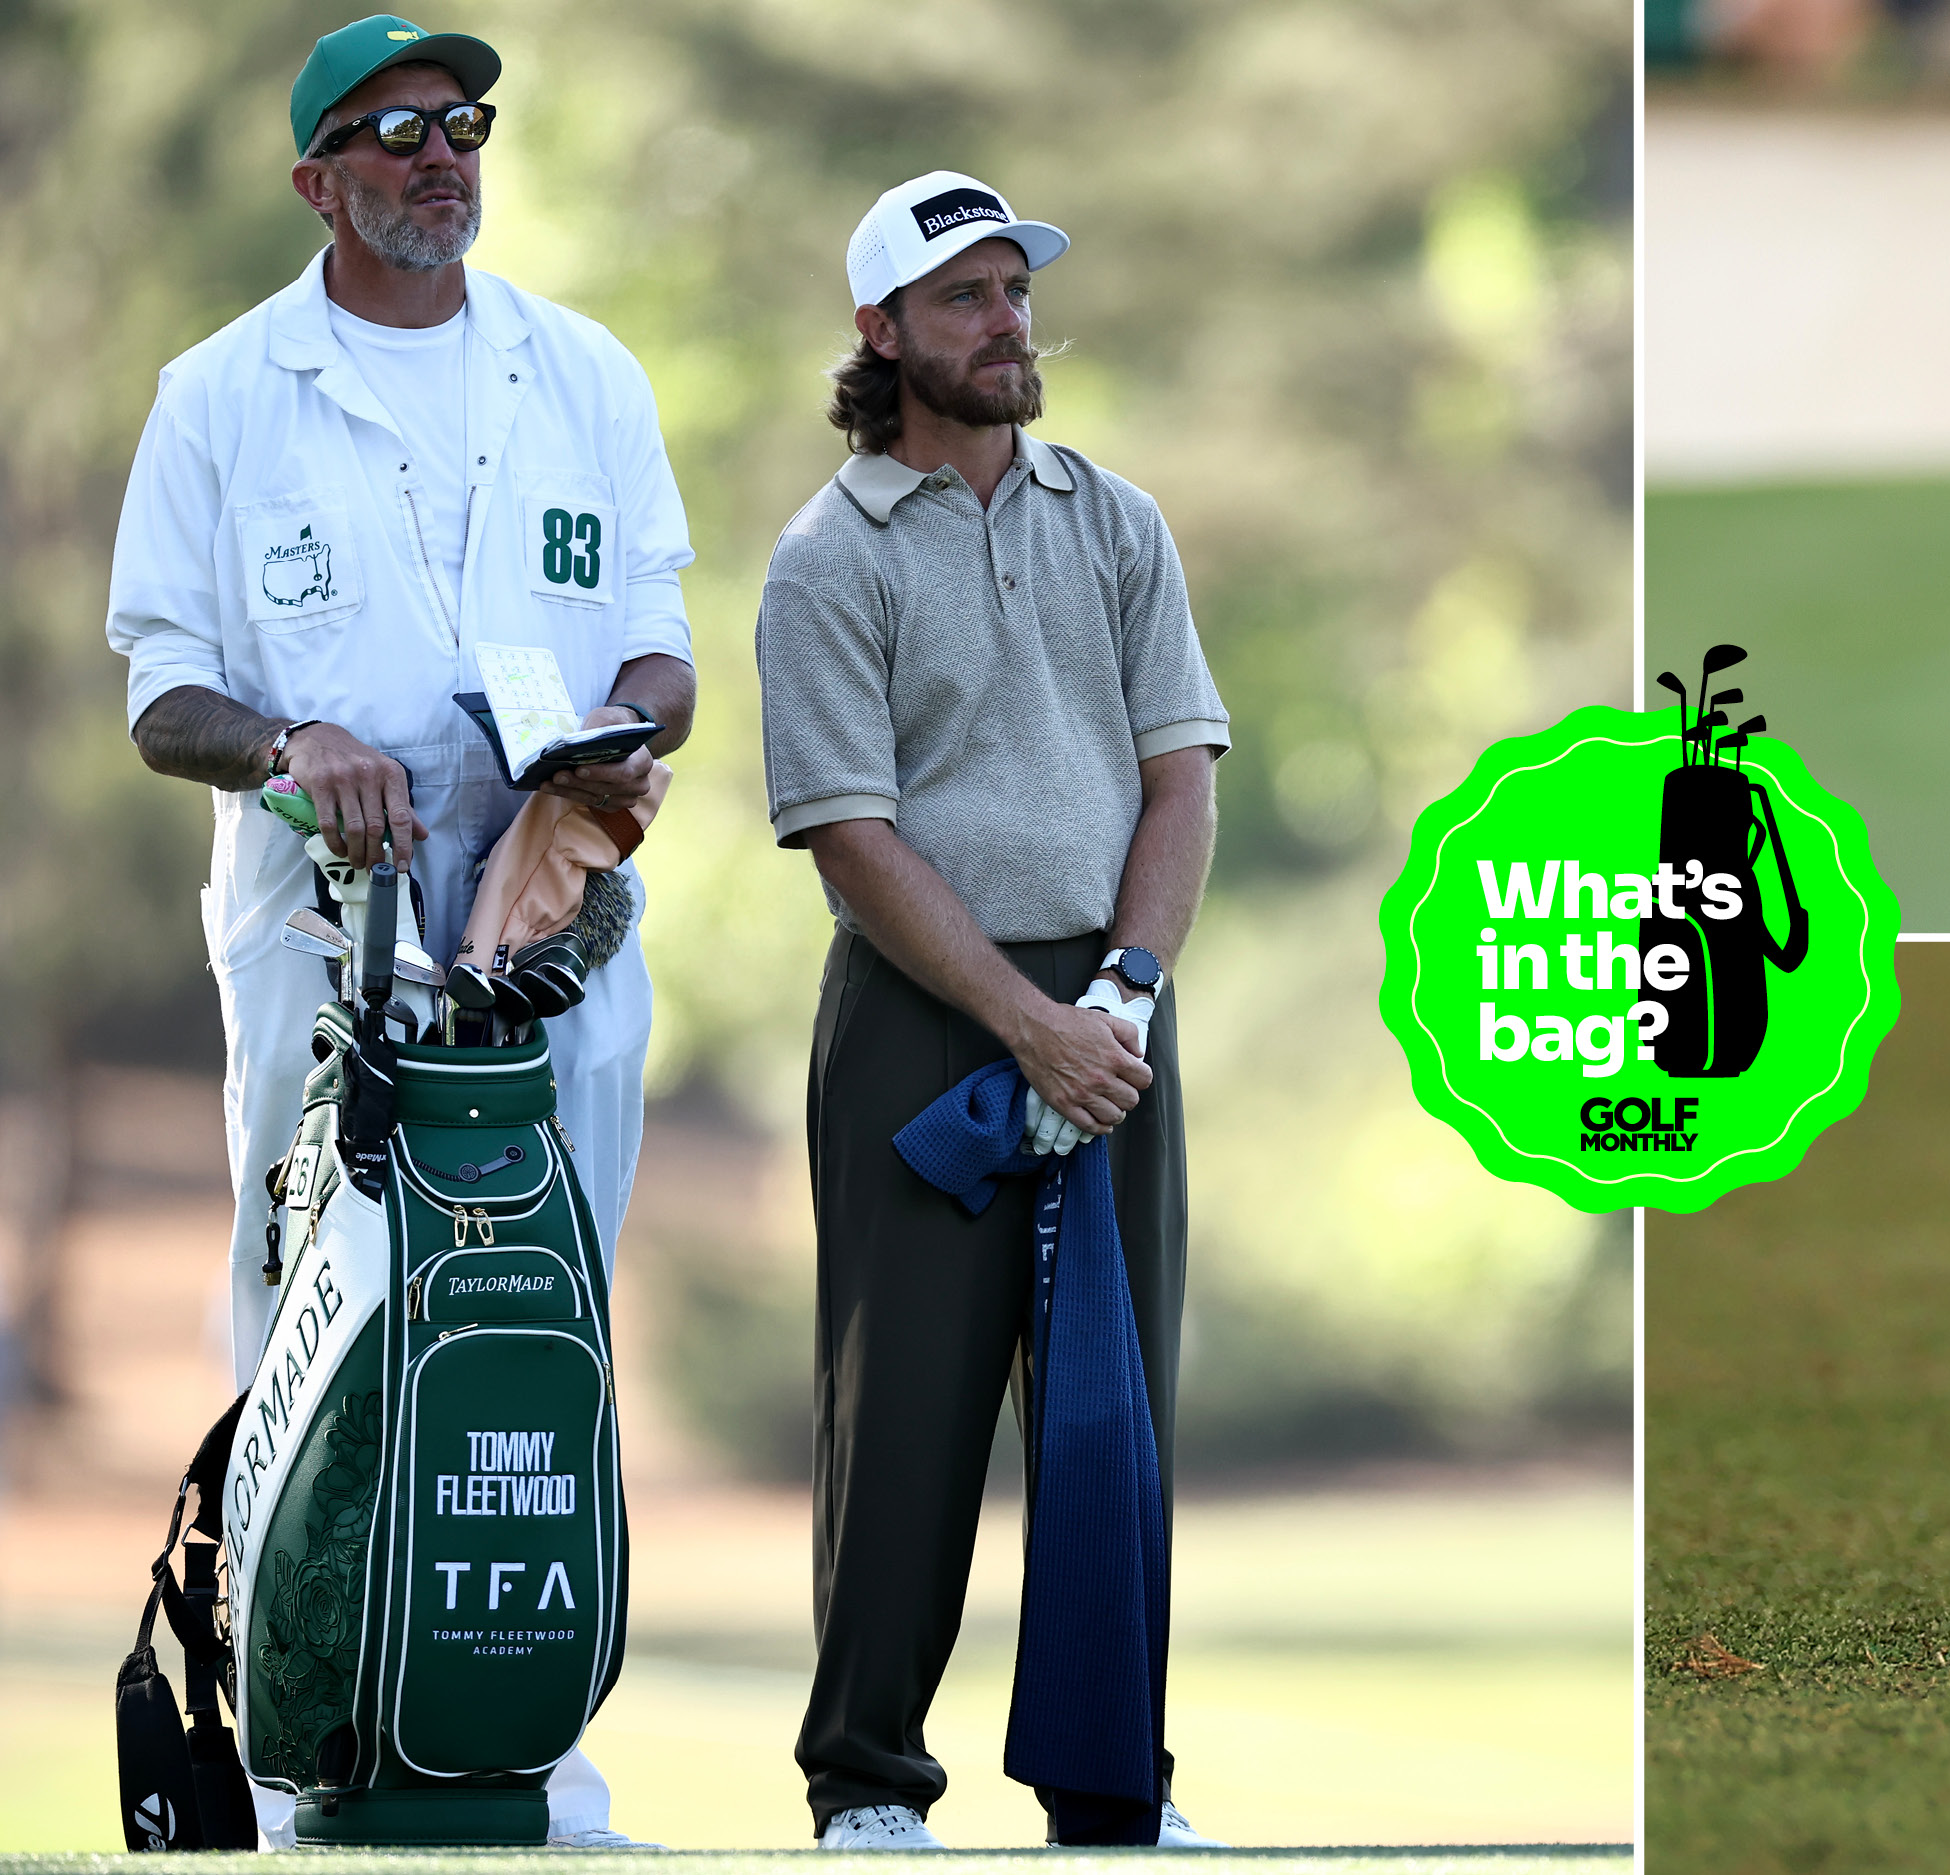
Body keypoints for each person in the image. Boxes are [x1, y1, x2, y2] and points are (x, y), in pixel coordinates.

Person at [101, 14, 690, 1847]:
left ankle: (534, 1749)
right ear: (318, 178)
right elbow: (160, 694)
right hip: (313, 908)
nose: (445, 153)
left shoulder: (580, 371)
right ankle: (302, 1745)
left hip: (552, 892)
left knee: (558, 1287)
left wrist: (618, 742)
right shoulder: (223, 389)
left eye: (465, 123)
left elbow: (660, 649)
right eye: (396, 130)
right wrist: (297, 744)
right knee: (311, 1296)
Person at [755, 171, 1228, 1852]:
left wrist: (1118, 992)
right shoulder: (826, 562)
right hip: (920, 1021)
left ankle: (1115, 1793)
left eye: (1015, 289)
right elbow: (849, 842)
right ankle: (866, 1788)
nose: (1007, 322)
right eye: (964, 298)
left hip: (1111, 1016)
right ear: (881, 332)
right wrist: (1025, 1027)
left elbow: (1179, 779)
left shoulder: (1116, 521)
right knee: (904, 1423)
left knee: (1114, 1421)